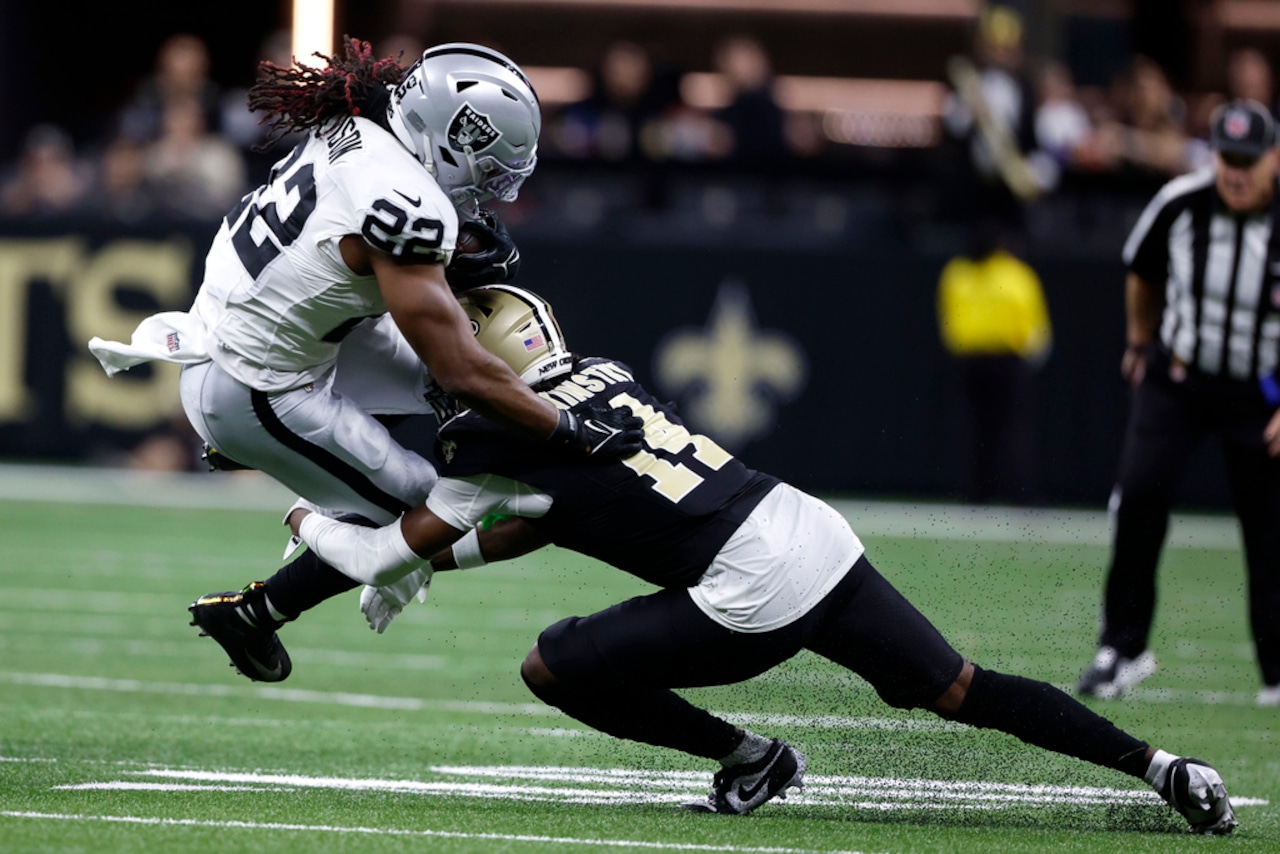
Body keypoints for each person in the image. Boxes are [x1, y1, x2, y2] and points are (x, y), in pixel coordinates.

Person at [286, 284, 1235, 834]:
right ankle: (1165, 770)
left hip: (750, 585)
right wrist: (431, 567)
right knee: (961, 687)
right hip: (802, 524)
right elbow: (548, 514)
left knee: (553, 663)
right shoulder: (598, 376)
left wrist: (305, 524)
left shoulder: (500, 436)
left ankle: (752, 758)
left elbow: (390, 548)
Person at [85, 37, 643, 682]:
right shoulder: (405, 204)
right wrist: (564, 429)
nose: (489, 192)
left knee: (455, 415)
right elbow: (463, 366)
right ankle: (302, 522)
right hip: (257, 383)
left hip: (293, 333)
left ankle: (270, 593)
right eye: (485, 169)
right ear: (447, 137)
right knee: (428, 516)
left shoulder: (362, 120)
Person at [1076, 99, 1280, 709]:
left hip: (1262, 391)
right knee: (1139, 494)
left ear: (1273, 159)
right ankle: (1123, 647)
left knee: (1270, 529)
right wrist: (1140, 339)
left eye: (1249, 160)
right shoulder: (1181, 202)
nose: (1236, 173)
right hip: (1181, 378)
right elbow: (1141, 268)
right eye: (1227, 158)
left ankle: (1278, 669)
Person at [937, 219, 1053, 505]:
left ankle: (979, 494)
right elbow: (1036, 330)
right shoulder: (1016, 275)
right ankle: (1022, 496)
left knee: (979, 428)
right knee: (1014, 428)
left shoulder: (956, 274)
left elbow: (949, 324)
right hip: (1007, 362)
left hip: (972, 361)